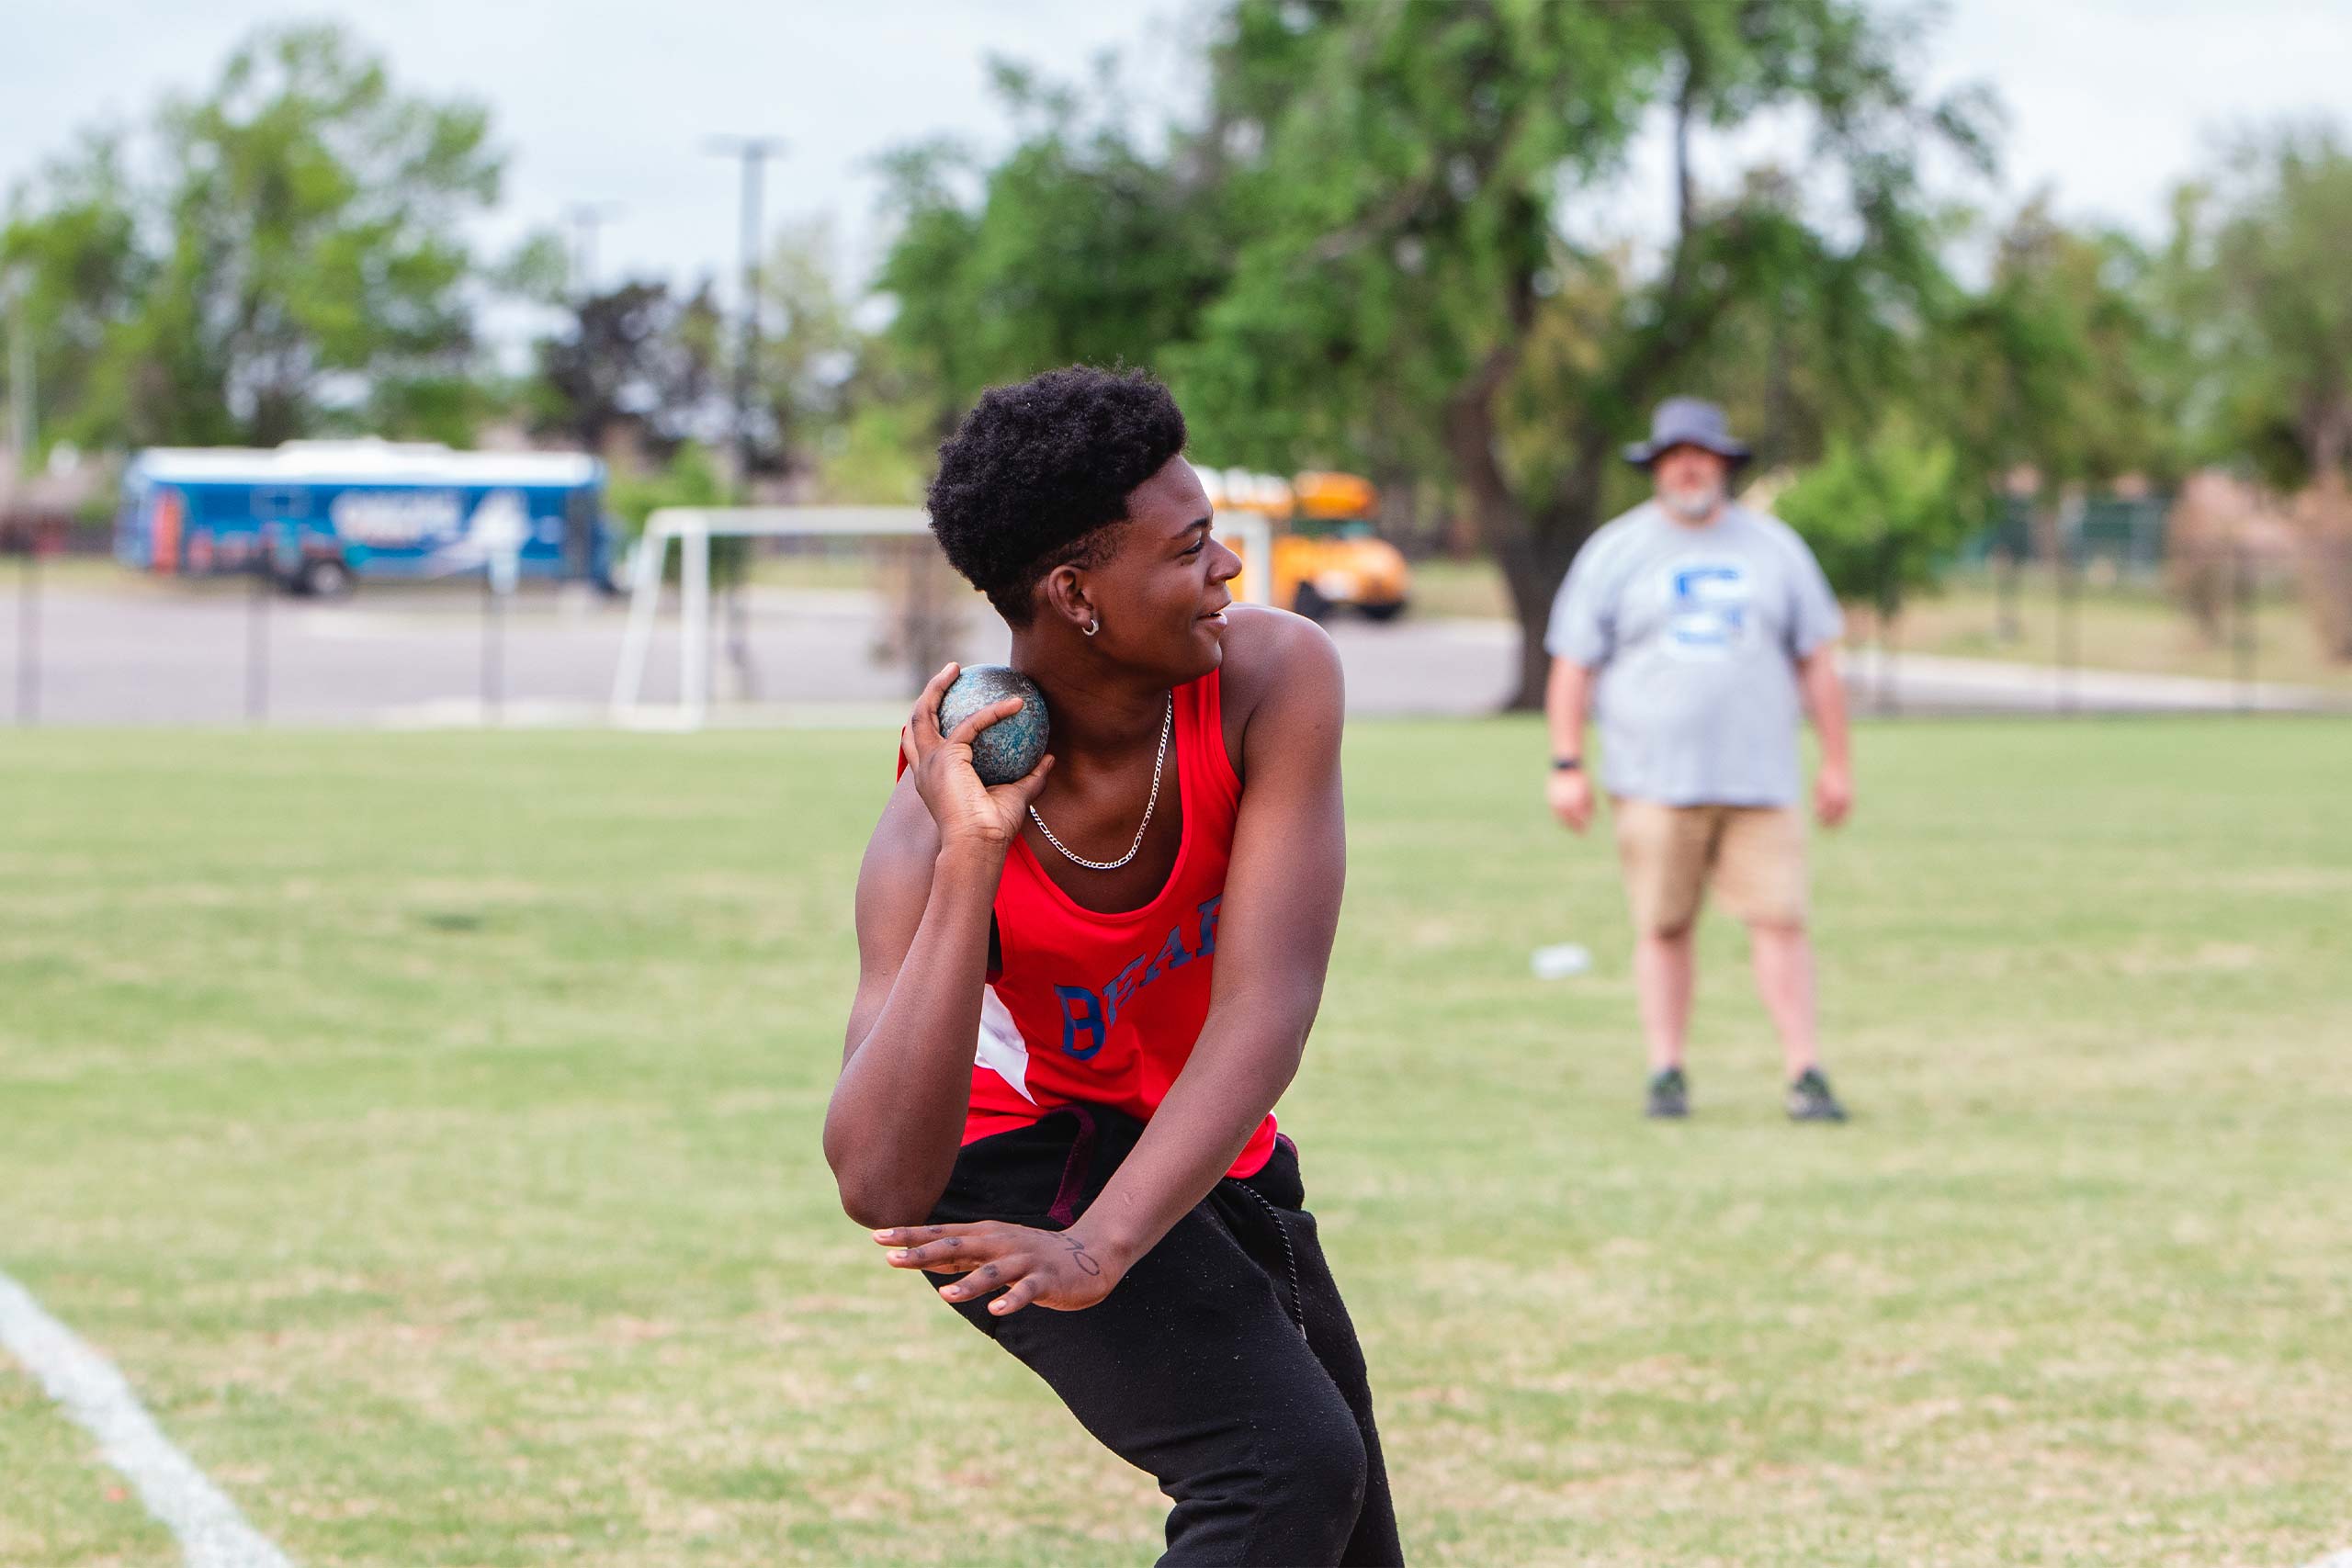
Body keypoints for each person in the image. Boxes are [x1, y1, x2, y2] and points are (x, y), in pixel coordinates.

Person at [826, 367, 1402, 1566]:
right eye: (1192, 548)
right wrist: (972, 857)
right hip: (1007, 1151)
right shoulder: (932, 819)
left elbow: (1268, 999)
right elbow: (881, 1174)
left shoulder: (1271, 679)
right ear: (1076, 592)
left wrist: (1107, 1245)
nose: (1229, 571)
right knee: (1280, 1464)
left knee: (1339, 1524)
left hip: (1186, 1138)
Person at [1544, 396, 1854, 1123]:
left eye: (1702, 454)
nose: (1689, 466)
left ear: (1725, 464)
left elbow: (1817, 660)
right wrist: (1566, 763)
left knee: (1780, 919)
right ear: (1656, 466)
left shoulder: (1775, 548)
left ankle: (1803, 1070)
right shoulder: (1617, 550)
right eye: (1675, 455)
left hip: (1761, 777)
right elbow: (1572, 664)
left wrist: (1836, 761)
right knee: (1663, 923)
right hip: (1653, 778)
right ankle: (1667, 1070)